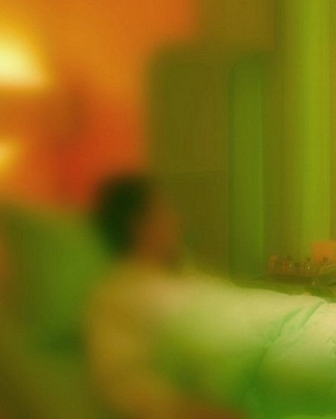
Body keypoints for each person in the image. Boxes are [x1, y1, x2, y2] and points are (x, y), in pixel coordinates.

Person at [85, 173, 244, 419]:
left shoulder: (188, 276)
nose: (176, 220)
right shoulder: (117, 297)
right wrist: (190, 411)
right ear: (139, 225)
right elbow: (121, 383)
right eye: (164, 211)